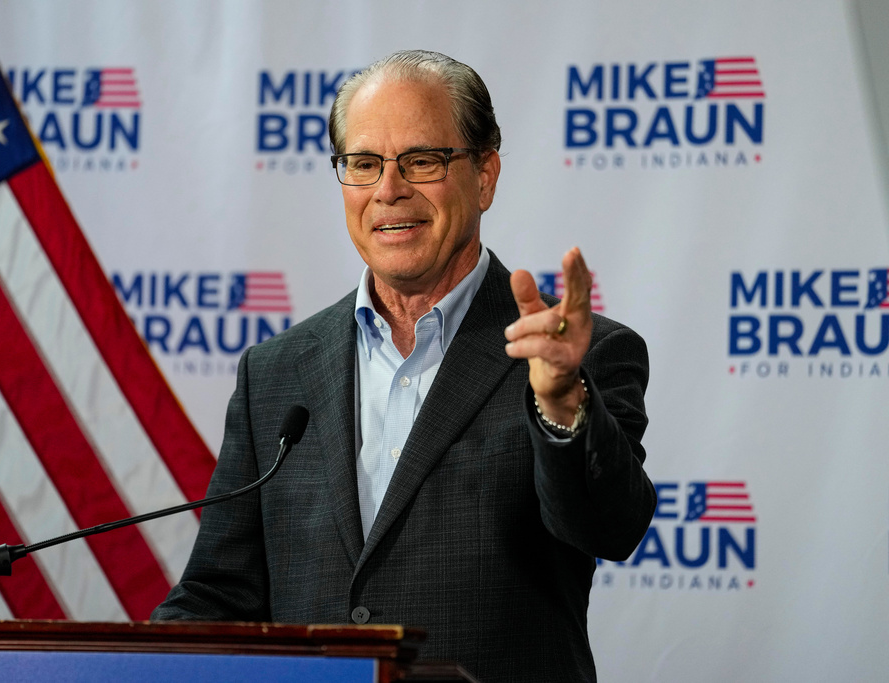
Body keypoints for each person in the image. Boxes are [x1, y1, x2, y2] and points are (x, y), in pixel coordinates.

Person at [153, 50, 656, 682]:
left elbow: (608, 528)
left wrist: (560, 402)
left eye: (422, 160)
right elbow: (220, 595)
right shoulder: (276, 371)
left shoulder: (578, 357)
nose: (389, 190)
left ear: (485, 175)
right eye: (364, 164)